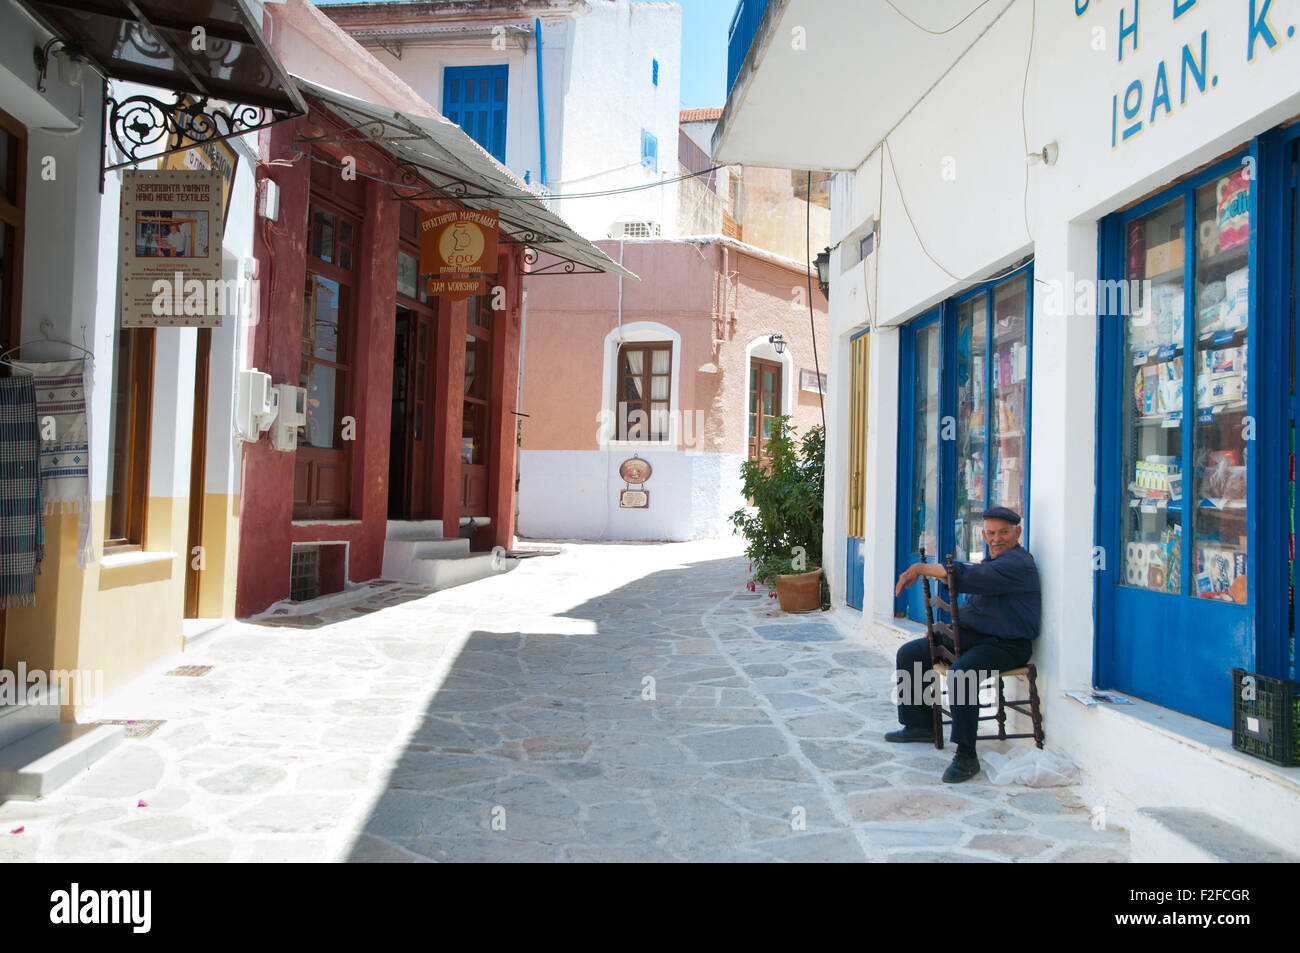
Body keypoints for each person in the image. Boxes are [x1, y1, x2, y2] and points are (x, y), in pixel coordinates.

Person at [888, 506, 1041, 783]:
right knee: (911, 654)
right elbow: (972, 607)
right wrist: (943, 632)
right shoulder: (992, 561)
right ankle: (919, 724)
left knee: (962, 673)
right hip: (978, 637)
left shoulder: (1018, 563)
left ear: (1017, 533)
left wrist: (920, 568)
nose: (997, 538)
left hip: (1008, 645)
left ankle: (966, 754)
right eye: (991, 533)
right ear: (983, 534)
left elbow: (970, 579)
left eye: (1004, 532)